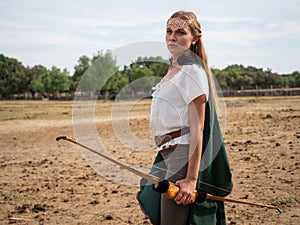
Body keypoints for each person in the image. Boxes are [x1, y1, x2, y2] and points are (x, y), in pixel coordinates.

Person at [137, 10, 232, 225]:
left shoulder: (192, 71)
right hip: (166, 153)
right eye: (169, 31)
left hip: (182, 155)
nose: (172, 37)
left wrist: (190, 179)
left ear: (195, 38)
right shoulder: (175, 69)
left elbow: (198, 128)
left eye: (180, 32)